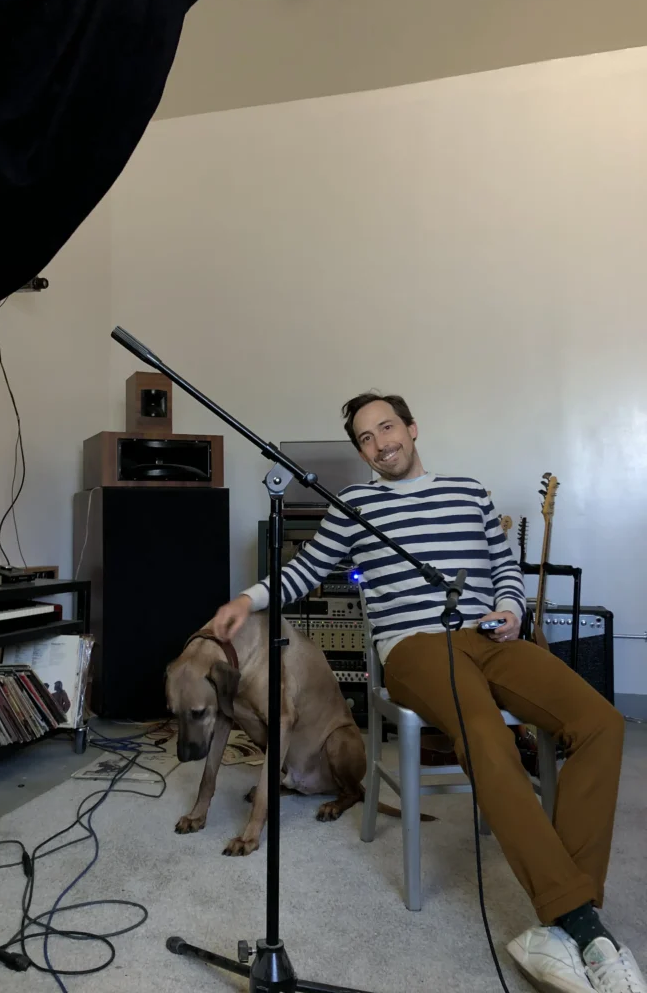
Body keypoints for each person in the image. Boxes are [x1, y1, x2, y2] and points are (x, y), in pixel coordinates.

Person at [210, 392, 643, 993]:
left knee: (601, 723)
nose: (380, 442)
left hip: (490, 636)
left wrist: (513, 610)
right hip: (414, 647)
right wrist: (244, 600)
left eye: (387, 426)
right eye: (365, 437)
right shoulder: (353, 506)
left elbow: (504, 566)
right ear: (361, 450)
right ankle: (582, 923)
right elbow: (301, 573)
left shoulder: (469, 491)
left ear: (412, 429)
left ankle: (567, 916)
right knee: (486, 735)